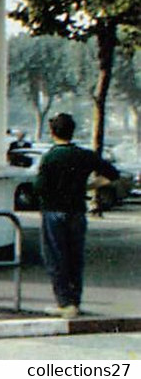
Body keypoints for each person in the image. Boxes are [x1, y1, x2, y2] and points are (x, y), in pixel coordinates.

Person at [34, 112, 121, 318]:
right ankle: (75, 300)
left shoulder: (49, 158)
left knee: (56, 257)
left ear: (52, 132)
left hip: (53, 211)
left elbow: (39, 188)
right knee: (75, 256)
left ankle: (64, 302)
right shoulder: (85, 155)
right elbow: (113, 174)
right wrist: (90, 184)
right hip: (77, 211)